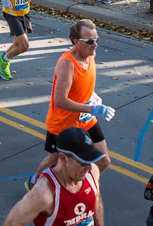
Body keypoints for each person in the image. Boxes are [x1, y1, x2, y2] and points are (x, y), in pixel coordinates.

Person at [31, 19, 115, 187]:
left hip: (85, 119)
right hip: (63, 124)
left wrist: (93, 95)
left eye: (96, 39)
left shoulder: (90, 56)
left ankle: (84, 191)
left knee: (103, 161)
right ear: (76, 42)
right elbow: (60, 101)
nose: (95, 45)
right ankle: (35, 181)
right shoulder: (67, 65)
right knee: (54, 161)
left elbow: (83, 84)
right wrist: (93, 108)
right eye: (90, 41)